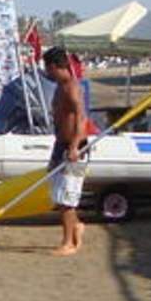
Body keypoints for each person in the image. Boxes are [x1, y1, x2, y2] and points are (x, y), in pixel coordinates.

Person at [42, 46, 88, 257]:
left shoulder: (72, 88)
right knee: (57, 193)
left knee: (67, 198)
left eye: (47, 68)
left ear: (54, 66)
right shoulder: (60, 87)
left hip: (76, 147)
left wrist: (74, 146)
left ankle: (68, 243)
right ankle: (76, 226)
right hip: (60, 145)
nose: (46, 72)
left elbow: (81, 119)